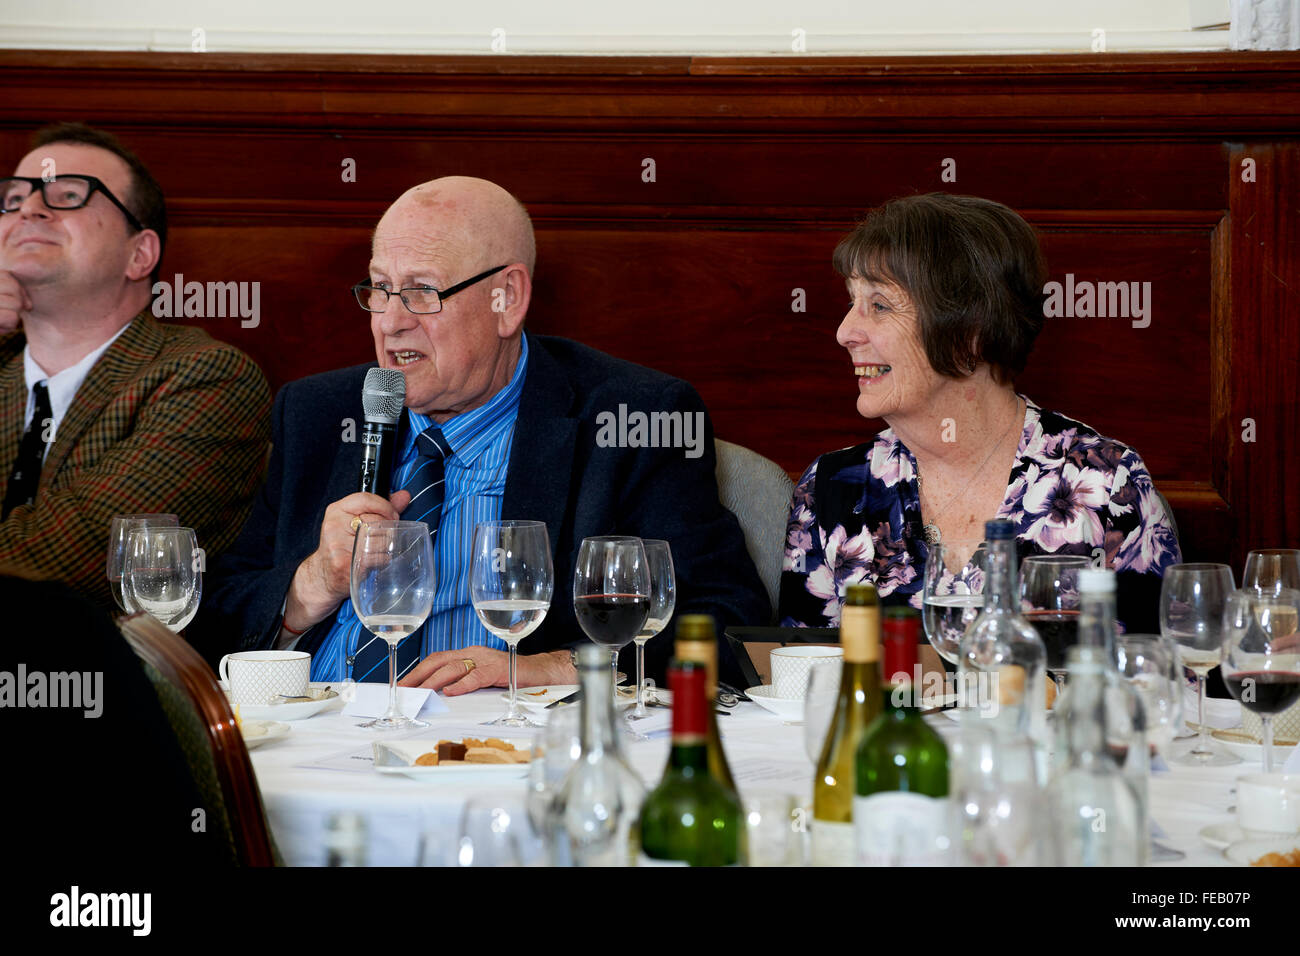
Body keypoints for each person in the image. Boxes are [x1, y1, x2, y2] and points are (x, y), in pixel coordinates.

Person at [202, 176, 768, 693]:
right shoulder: (318, 414)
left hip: (505, 753)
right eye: (378, 288)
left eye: (422, 291)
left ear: (508, 300)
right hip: (314, 737)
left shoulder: (630, 420)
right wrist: (312, 584)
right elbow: (211, 620)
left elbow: (722, 622)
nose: (389, 321)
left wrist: (547, 668)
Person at [780, 193, 1180, 652]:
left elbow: (1160, 687)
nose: (845, 331)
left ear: (971, 329)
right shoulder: (832, 488)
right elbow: (801, 683)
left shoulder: (1104, 483)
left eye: (881, 305)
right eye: (852, 302)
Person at [0, 123, 270, 608]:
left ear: (139, 253)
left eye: (68, 195)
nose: (29, 209)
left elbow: (66, 562)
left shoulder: (206, 378)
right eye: (14, 198)